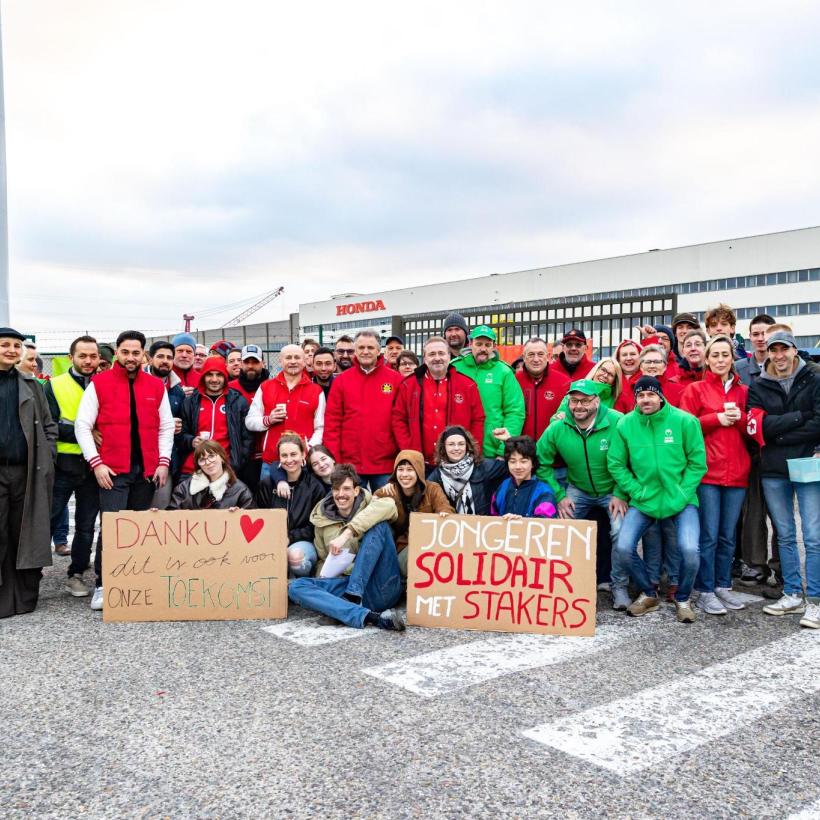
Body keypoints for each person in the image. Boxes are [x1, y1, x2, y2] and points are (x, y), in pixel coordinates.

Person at [75, 330, 175, 611]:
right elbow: (82, 425)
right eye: (125, 352)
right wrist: (96, 463)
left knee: (139, 529)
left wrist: (163, 461)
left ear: (143, 354)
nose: (131, 358)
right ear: (117, 352)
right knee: (112, 528)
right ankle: (103, 584)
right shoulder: (100, 383)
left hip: (146, 471)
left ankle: (135, 581)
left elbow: (166, 426)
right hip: (112, 471)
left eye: (136, 352)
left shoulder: (156, 386)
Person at [607, 376, 707, 623]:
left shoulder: (685, 421)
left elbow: (697, 463)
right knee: (623, 547)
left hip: (681, 500)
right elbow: (616, 463)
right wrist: (636, 491)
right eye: (640, 395)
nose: (646, 399)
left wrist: (683, 494)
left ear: (661, 396)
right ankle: (649, 594)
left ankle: (682, 598)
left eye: (651, 394)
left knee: (690, 550)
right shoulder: (626, 424)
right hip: (645, 500)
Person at [536, 379, 630, 610]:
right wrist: (559, 495)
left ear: (597, 401)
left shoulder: (618, 421)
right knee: (562, 529)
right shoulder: (558, 427)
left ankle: (619, 586)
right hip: (578, 488)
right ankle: (567, 585)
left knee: (620, 533)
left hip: (613, 490)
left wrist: (620, 492)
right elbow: (541, 462)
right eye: (574, 400)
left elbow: (632, 460)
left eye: (585, 400)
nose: (579, 406)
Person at [748, 330, 820, 627]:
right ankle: (792, 593)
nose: (779, 356)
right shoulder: (758, 384)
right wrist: (799, 418)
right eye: (774, 350)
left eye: (784, 350)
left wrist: (777, 429)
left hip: (807, 464)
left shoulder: (814, 378)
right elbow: (757, 428)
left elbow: (819, 423)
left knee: (813, 536)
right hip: (774, 469)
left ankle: (815, 599)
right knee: (786, 534)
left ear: (794, 351)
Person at [680, 335, 752, 615]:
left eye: (725, 355)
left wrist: (741, 419)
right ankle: (705, 589)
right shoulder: (696, 390)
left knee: (727, 536)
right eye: (716, 355)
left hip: (737, 472)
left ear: (732, 359)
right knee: (708, 535)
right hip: (708, 473)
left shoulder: (743, 391)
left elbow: (753, 426)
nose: (721, 360)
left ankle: (723, 585)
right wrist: (715, 419)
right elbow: (685, 428)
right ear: (707, 359)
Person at [288, 463, 405, 630]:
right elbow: (323, 559)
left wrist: (347, 533)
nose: (340, 494)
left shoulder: (372, 503)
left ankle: (349, 600)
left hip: (380, 585)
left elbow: (390, 506)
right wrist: (323, 575)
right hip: (345, 582)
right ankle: (370, 617)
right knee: (295, 587)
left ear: (356, 491)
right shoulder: (321, 520)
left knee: (379, 526)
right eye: (336, 489)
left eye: (346, 489)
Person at [0, 327, 57, 618]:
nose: (11, 350)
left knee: (24, 533)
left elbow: (49, 425)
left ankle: (23, 598)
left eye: (16, 345)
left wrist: (48, 456)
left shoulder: (31, 385)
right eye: (5, 345)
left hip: (27, 471)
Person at [44, 336, 101, 596]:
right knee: (46, 519)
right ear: (71, 357)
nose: (88, 361)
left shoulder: (105, 383)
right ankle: (28, 572)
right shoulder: (53, 386)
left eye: (93, 356)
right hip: (62, 464)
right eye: (82, 356)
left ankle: (76, 572)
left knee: (87, 523)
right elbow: (49, 424)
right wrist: (85, 431)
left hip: (92, 465)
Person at [323, 330, 402, 490]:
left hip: (385, 465)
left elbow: (401, 421)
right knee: (354, 512)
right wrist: (335, 459)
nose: (365, 351)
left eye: (370, 348)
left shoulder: (396, 380)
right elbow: (332, 422)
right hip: (351, 465)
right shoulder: (342, 381)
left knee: (385, 511)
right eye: (361, 347)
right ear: (356, 350)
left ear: (379, 350)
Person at [392, 336, 485, 466]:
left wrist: (471, 450)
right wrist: (409, 449)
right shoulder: (408, 385)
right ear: (424, 358)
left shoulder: (467, 385)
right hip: (419, 462)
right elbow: (398, 419)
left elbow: (478, 419)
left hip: (456, 461)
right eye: (432, 354)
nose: (437, 358)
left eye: (441, 353)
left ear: (449, 356)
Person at [246, 343, 325, 471]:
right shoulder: (266, 387)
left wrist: (308, 449)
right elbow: (250, 421)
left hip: (302, 463)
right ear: (281, 361)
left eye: (297, 357)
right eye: (288, 358)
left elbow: (320, 427)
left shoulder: (316, 391)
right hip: (271, 461)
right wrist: (268, 420)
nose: (293, 361)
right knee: (268, 492)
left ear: (304, 361)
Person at [375, 449, 453, 577]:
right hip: (405, 544)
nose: (404, 474)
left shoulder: (432, 488)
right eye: (400, 469)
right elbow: (371, 507)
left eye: (410, 469)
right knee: (411, 564)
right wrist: (377, 497)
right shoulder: (389, 490)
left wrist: (444, 513)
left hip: (429, 542)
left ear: (419, 471)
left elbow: (444, 506)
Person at [257, 433, 326, 577]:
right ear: (279, 459)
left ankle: (298, 588)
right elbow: (258, 514)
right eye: (284, 455)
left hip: (301, 542)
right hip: (272, 540)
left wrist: (290, 537)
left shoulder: (314, 487)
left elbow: (316, 525)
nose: (289, 460)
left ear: (302, 455)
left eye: (293, 454)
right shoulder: (267, 484)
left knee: (294, 556)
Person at [452, 325, 525, 458]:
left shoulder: (504, 372)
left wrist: (504, 449)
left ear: (494, 346)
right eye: (479, 344)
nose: (483, 349)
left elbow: (515, 412)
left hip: (492, 452)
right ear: (470, 343)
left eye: (487, 344)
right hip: (456, 450)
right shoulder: (455, 367)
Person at [178, 355, 251, 477]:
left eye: (219, 375)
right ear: (203, 377)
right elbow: (179, 435)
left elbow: (247, 439)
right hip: (193, 469)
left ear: (225, 377)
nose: (214, 379)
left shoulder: (237, 402)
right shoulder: (190, 402)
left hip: (225, 468)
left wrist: (235, 464)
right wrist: (191, 441)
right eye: (209, 374)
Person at [426, 426, 507, 515]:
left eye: (461, 444)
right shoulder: (437, 476)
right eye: (451, 444)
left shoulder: (482, 466)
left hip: (482, 525)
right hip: (453, 526)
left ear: (467, 446)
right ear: (444, 447)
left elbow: (513, 466)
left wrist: (508, 441)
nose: (456, 448)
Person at [145, 341, 186, 502]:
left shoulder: (177, 389)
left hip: (167, 459)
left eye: (169, 357)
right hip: (140, 459)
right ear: (150, 359)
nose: (165, 361)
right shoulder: (137, 383)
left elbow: (184, 422)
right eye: (160, 356)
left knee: (160, 509)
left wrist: (178, 426)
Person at [227, 344, 269, 494]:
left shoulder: (271, 386)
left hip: (266, 455)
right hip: (240, 456)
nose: (250, 366)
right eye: (247, 362)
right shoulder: (230, 388)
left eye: (255, 362)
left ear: (263, 363)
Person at [168, 440, 253, 510]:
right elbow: (170, 517)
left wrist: (239, 515)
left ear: (222, 458)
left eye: (211, 456)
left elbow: (252, 517)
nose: (208, 462)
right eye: (202, 460)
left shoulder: (241, 490)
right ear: (199, 465)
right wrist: (157, 515)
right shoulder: (184, 488)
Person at [516, 337, 570, 441]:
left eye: (540, 354)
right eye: (531, 354)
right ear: (524, 357)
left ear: (548, 356)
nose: (536, 359)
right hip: (522, 450)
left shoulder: (564, 382)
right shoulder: (514, 380)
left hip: (553, 448)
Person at [491, 436, 556, 519]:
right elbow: (493, 517)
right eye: (512, 461)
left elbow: (545, 523)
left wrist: (522, 523)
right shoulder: (503, 486)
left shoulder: (544, 492)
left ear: (533, 463)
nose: (518, 466)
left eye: (523, 461)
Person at [615, 344, 684, 412]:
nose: (652, 366)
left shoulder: (680, 391)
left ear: (665, 366)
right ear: (641, 366)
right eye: (648, 362)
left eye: (657, 362)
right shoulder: (628, 391)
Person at [736, 314, 776, 386]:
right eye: (755, 334)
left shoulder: (783, 367)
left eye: (765, 334)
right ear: (750, 336)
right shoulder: (738, 369)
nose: (760, 339)